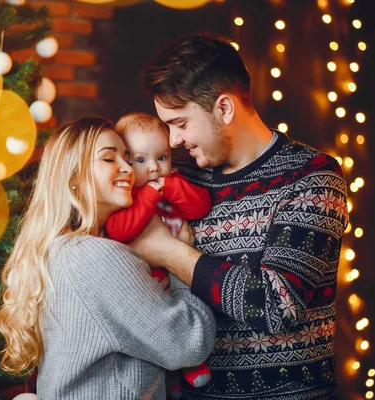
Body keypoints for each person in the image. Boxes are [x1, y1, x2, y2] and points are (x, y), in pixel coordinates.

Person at [129, 35, 349, 399]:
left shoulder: (311, 176)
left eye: (180, 123)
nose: (173, 140)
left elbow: (278, 305)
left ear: (225, 109)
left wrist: (169, 252)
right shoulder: (178, 179)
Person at [0, 116, 216, 399]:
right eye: (109, 159)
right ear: (74, 178)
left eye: (127, 157)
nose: (127, 168)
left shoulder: (65, 250)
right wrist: (175, 257)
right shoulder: (96, 257)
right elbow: (190, 343)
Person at [105, 111, 213, 390]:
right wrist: (150, 196)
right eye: (141, 160)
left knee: (186, 310)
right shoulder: (128, 198)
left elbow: (201, 206)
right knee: (163, 322)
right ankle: (181, 370)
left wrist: (172, 187)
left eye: (162, 158)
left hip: (179, 268)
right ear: (126, 162)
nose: (154, 168)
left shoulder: (173, 184)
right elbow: (120, 230)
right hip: (148, 273)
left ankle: (190, 367)